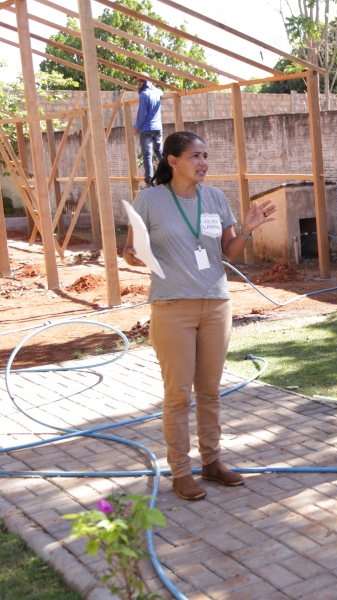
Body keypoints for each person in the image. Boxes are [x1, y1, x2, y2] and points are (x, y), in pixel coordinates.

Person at [123, 131, 276, 500]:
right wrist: (135, 255)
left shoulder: (216, 198)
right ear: (173, 161)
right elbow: (128, 251)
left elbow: (229, 252)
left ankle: (212, 462)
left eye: (205, 155)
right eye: (195, 156)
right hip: (172, 306)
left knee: (209, 391)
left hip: (216, 304)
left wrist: (248, 230)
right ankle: (180, 471)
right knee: (178, 394)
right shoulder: (149, 200)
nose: (203, 162)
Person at [133, 72, 163, 187]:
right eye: (138, 81)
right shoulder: (157, 92)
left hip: (146, 129)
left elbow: (142, 114)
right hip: (158, 128)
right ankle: (171, 173)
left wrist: (137, 127)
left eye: (141, 80)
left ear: (146, 82)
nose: (139, 83)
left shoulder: (144, 94)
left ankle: (149, 182)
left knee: (147, 155)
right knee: (159, 152)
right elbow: (162, 92)